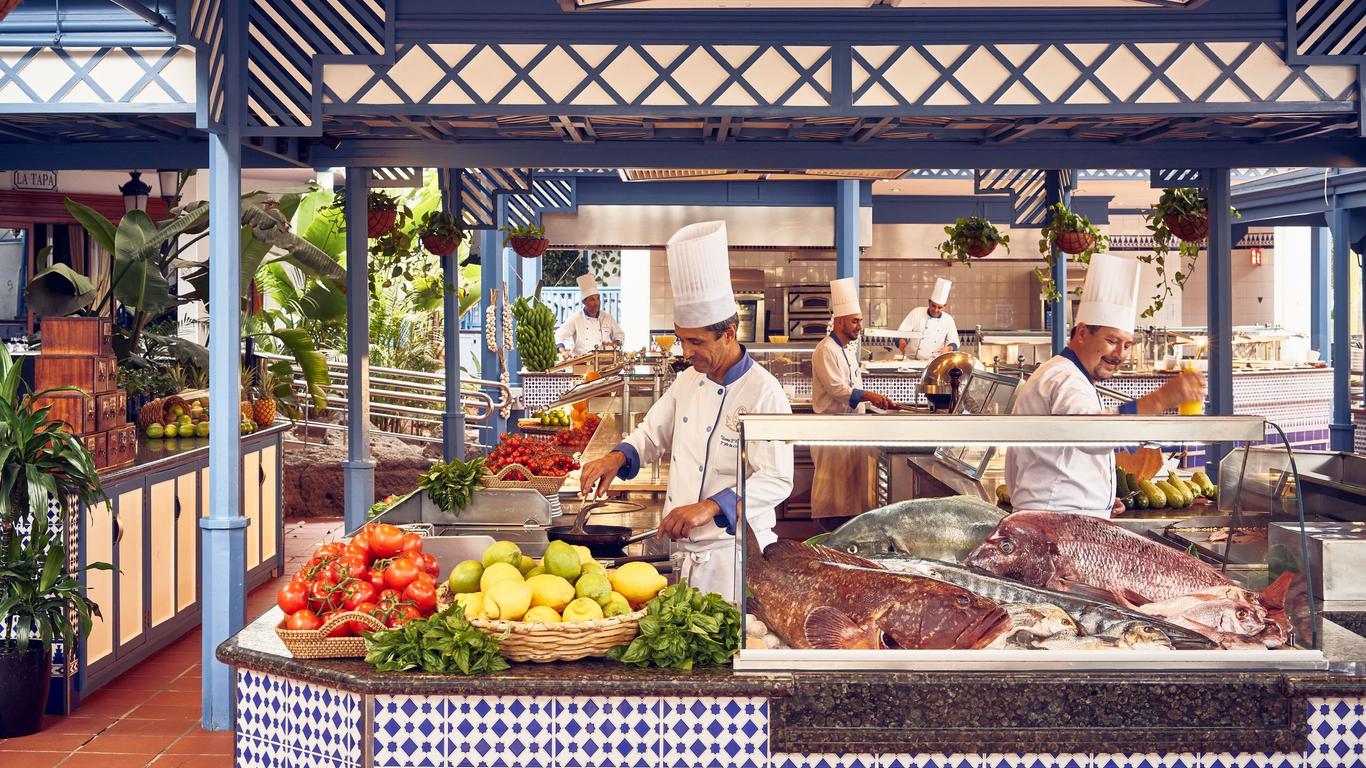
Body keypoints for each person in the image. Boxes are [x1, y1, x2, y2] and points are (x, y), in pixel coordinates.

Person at [577, 221, 793, 599]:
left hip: (735, 558)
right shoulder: (689, 380)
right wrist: (616, 457)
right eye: (681, 339)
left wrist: (710, 506)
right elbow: (652, 433)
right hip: (684, 552)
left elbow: (776, 479)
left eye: (696, 341)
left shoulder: (764, 392)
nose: (686, 351)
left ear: (729, 333)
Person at [1005, 252, 1205, 518]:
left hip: (1065, 516)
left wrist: (1102, 499)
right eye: (1112, 341)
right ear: (1082, 333)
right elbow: (1090, 434)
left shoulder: (1073, 375)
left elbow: (1072, 453)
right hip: (1057, 522)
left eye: (1127, 345)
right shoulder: (1064, 378)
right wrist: (1161, 399)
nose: (1120, 354)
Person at [809, 277, 897, 529]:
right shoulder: (826, 349)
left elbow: (851, 387)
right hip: (833, 433)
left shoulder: (846, 349)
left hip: (850, 432)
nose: (860, 326)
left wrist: (876, 404)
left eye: (860, 321)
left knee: (849, 499)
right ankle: (828, 539)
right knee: (832, 498)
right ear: (839, 322)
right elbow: (838, 390)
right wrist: (871, 396)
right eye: (855, 321)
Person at [556, 273, 625, 357]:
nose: (596, 303)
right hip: (582, 360)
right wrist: (563, 351)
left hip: (604, 359)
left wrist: (613, 343)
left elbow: (619, 336)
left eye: (598, 299)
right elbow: (559, 336)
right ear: (584, 302)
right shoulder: (576, 318)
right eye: (592, 300)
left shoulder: (607, 317)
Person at [897, 277, 959, 360]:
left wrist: (948, 348)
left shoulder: (948, 320)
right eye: (933, 306)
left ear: (944, 306)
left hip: (934, 361)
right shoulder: (917, 312)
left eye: (939, 307)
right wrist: (902, 343)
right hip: (911, 360)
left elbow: (954, 342)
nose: (935, 310)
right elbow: (901, 333)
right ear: (929, 302)